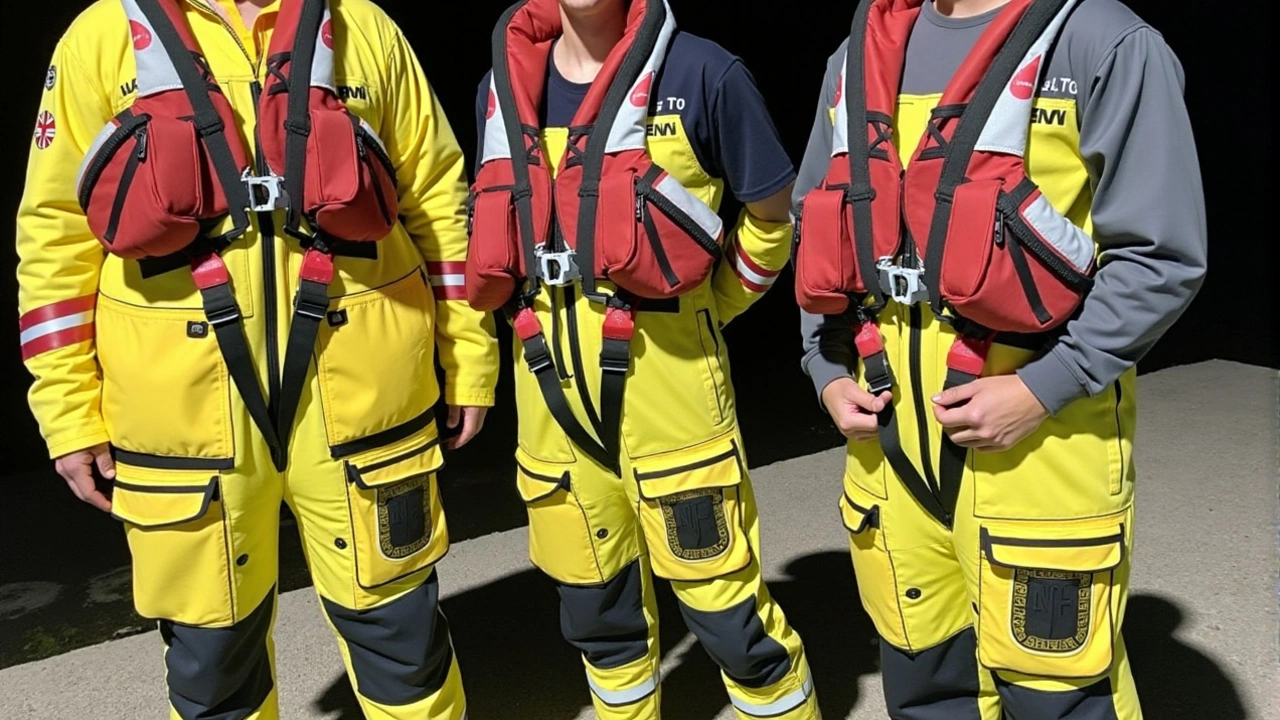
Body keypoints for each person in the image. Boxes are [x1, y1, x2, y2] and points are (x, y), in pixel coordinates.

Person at [16, 0, 497, 718]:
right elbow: (54, 235)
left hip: (364, 395)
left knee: (403, 644)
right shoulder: (99, 36)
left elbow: (438, 197)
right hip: (182, 412)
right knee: (212, 666)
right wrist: (67, 409)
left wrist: (469, 356)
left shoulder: (364, 25)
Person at [794, 0, 1205, 718]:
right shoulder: (855, 55)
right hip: (890, 456)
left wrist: (1046, 385)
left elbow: (1160, 256)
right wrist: (825, 370)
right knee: (926, 689)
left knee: (1059, 698)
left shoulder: (1102, 41)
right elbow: (817, 224)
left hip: (1039, 448)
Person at [467, 0, 820, 717]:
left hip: (674, 407)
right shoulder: (500, 91)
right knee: (602, 628)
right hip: (553, 417)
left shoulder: (705, 72)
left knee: (733, 624)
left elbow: (773, 212)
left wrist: (712, 307)